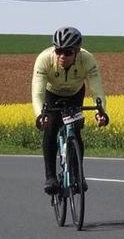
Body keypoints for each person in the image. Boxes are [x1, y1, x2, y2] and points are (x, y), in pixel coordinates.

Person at [31, 26, 109, 195]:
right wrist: (40, 116)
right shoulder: (44, 59)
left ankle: (77, 175)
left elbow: (97, 89)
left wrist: (101, 112)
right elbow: (37, 93)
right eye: (58, 51)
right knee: (51, 128)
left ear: (77, 51)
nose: (62, 56)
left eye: (67, 52)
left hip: (75, 94)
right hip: (52, 95)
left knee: (75, 129)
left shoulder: (87, 60)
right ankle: (50, 177)